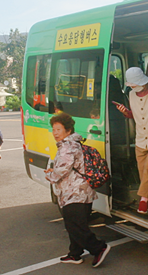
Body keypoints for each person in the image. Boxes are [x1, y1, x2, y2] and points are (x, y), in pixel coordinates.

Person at [44, 113, 111, 267]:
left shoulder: (68, 146)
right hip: (81, 191)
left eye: (58, 130)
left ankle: (99, 248)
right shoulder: (74, 143)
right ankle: (75, 254)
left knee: (74, 226)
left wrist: (51, 175)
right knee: (77, 224)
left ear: (68, 130)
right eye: (53, 129)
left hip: (74, 193)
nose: (55, 133)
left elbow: (62, 169)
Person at [115, 67, 148, 214]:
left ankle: (143, 200)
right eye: (132, 86)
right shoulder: (131, 95)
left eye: (135, 85)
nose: (134, 89)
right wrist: (126, 113)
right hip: (140, 138)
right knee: (142, 171)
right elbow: (135, 115)